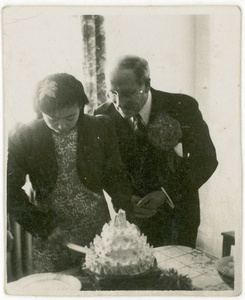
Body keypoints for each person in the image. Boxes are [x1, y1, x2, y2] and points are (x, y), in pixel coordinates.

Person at [7, 73, 133, 273]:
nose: (62, 126)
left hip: (97, 234)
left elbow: (115, 176)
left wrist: (124, 216)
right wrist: (42, 227)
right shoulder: (25, 136)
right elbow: (8, 190)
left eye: (69, 117)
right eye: (52, 119)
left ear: (81, 108)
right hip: (52, 237)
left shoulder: (100, 127)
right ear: (41, 112)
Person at [94, 55, 218, 248]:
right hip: (134, 217)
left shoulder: (182, 107)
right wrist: (124, 198)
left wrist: (166, 193)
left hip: (179, 214)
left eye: (127, 93)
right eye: (112, 93)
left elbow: (206, 160)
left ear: (147, 84)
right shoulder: (103, 116)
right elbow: (105, 168)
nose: (119, 102)